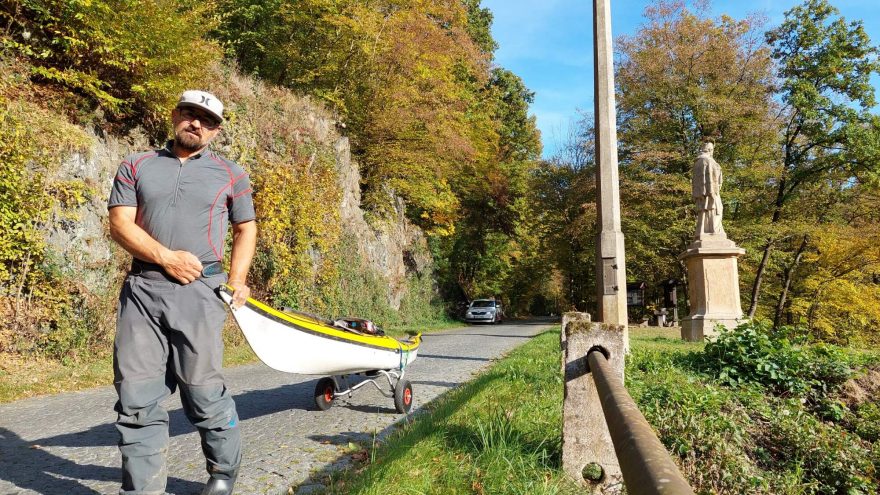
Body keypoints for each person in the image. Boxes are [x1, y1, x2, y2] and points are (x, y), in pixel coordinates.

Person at [108, 90, 257, 495]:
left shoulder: (231, 174)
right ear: (175, 116)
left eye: (207, 120)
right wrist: (164, 257)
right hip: (142, 291)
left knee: (202, 392)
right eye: (190, 114)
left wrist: (238, 280)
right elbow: (120, 224)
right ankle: (142, 489)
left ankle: (224, 470)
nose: (197, 124)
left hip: (201, 292)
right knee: (137, 398)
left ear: (216, 130)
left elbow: (246, 229)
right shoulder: (136, 164)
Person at [691, 141, 725, 239]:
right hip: (710, 192)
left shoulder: (697, 163)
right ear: (710, 150)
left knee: (704, 212)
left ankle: (703, 231)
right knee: (716, 209)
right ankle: (713, 231)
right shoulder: (708, 161)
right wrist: (713, 192)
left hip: (701, 194)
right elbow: (713, 179)